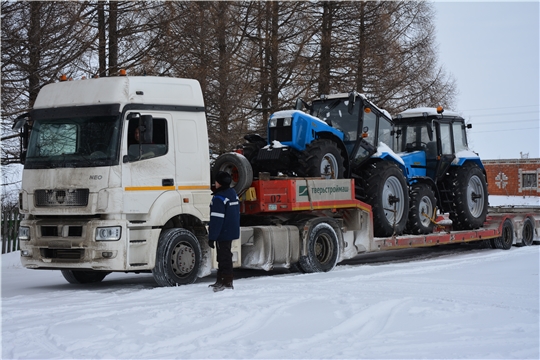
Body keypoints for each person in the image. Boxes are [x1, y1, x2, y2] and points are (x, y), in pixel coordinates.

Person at [208, 171, 240, 292]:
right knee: (224, 255)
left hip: (223, 232)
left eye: (216, 181)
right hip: (230, 230)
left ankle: (226, 281)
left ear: (219, 183)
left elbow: (217, 220)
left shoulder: (219, 198)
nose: (214, 183)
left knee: (223, 257)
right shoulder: (232, 194)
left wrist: (212, 236)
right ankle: (221, 279)